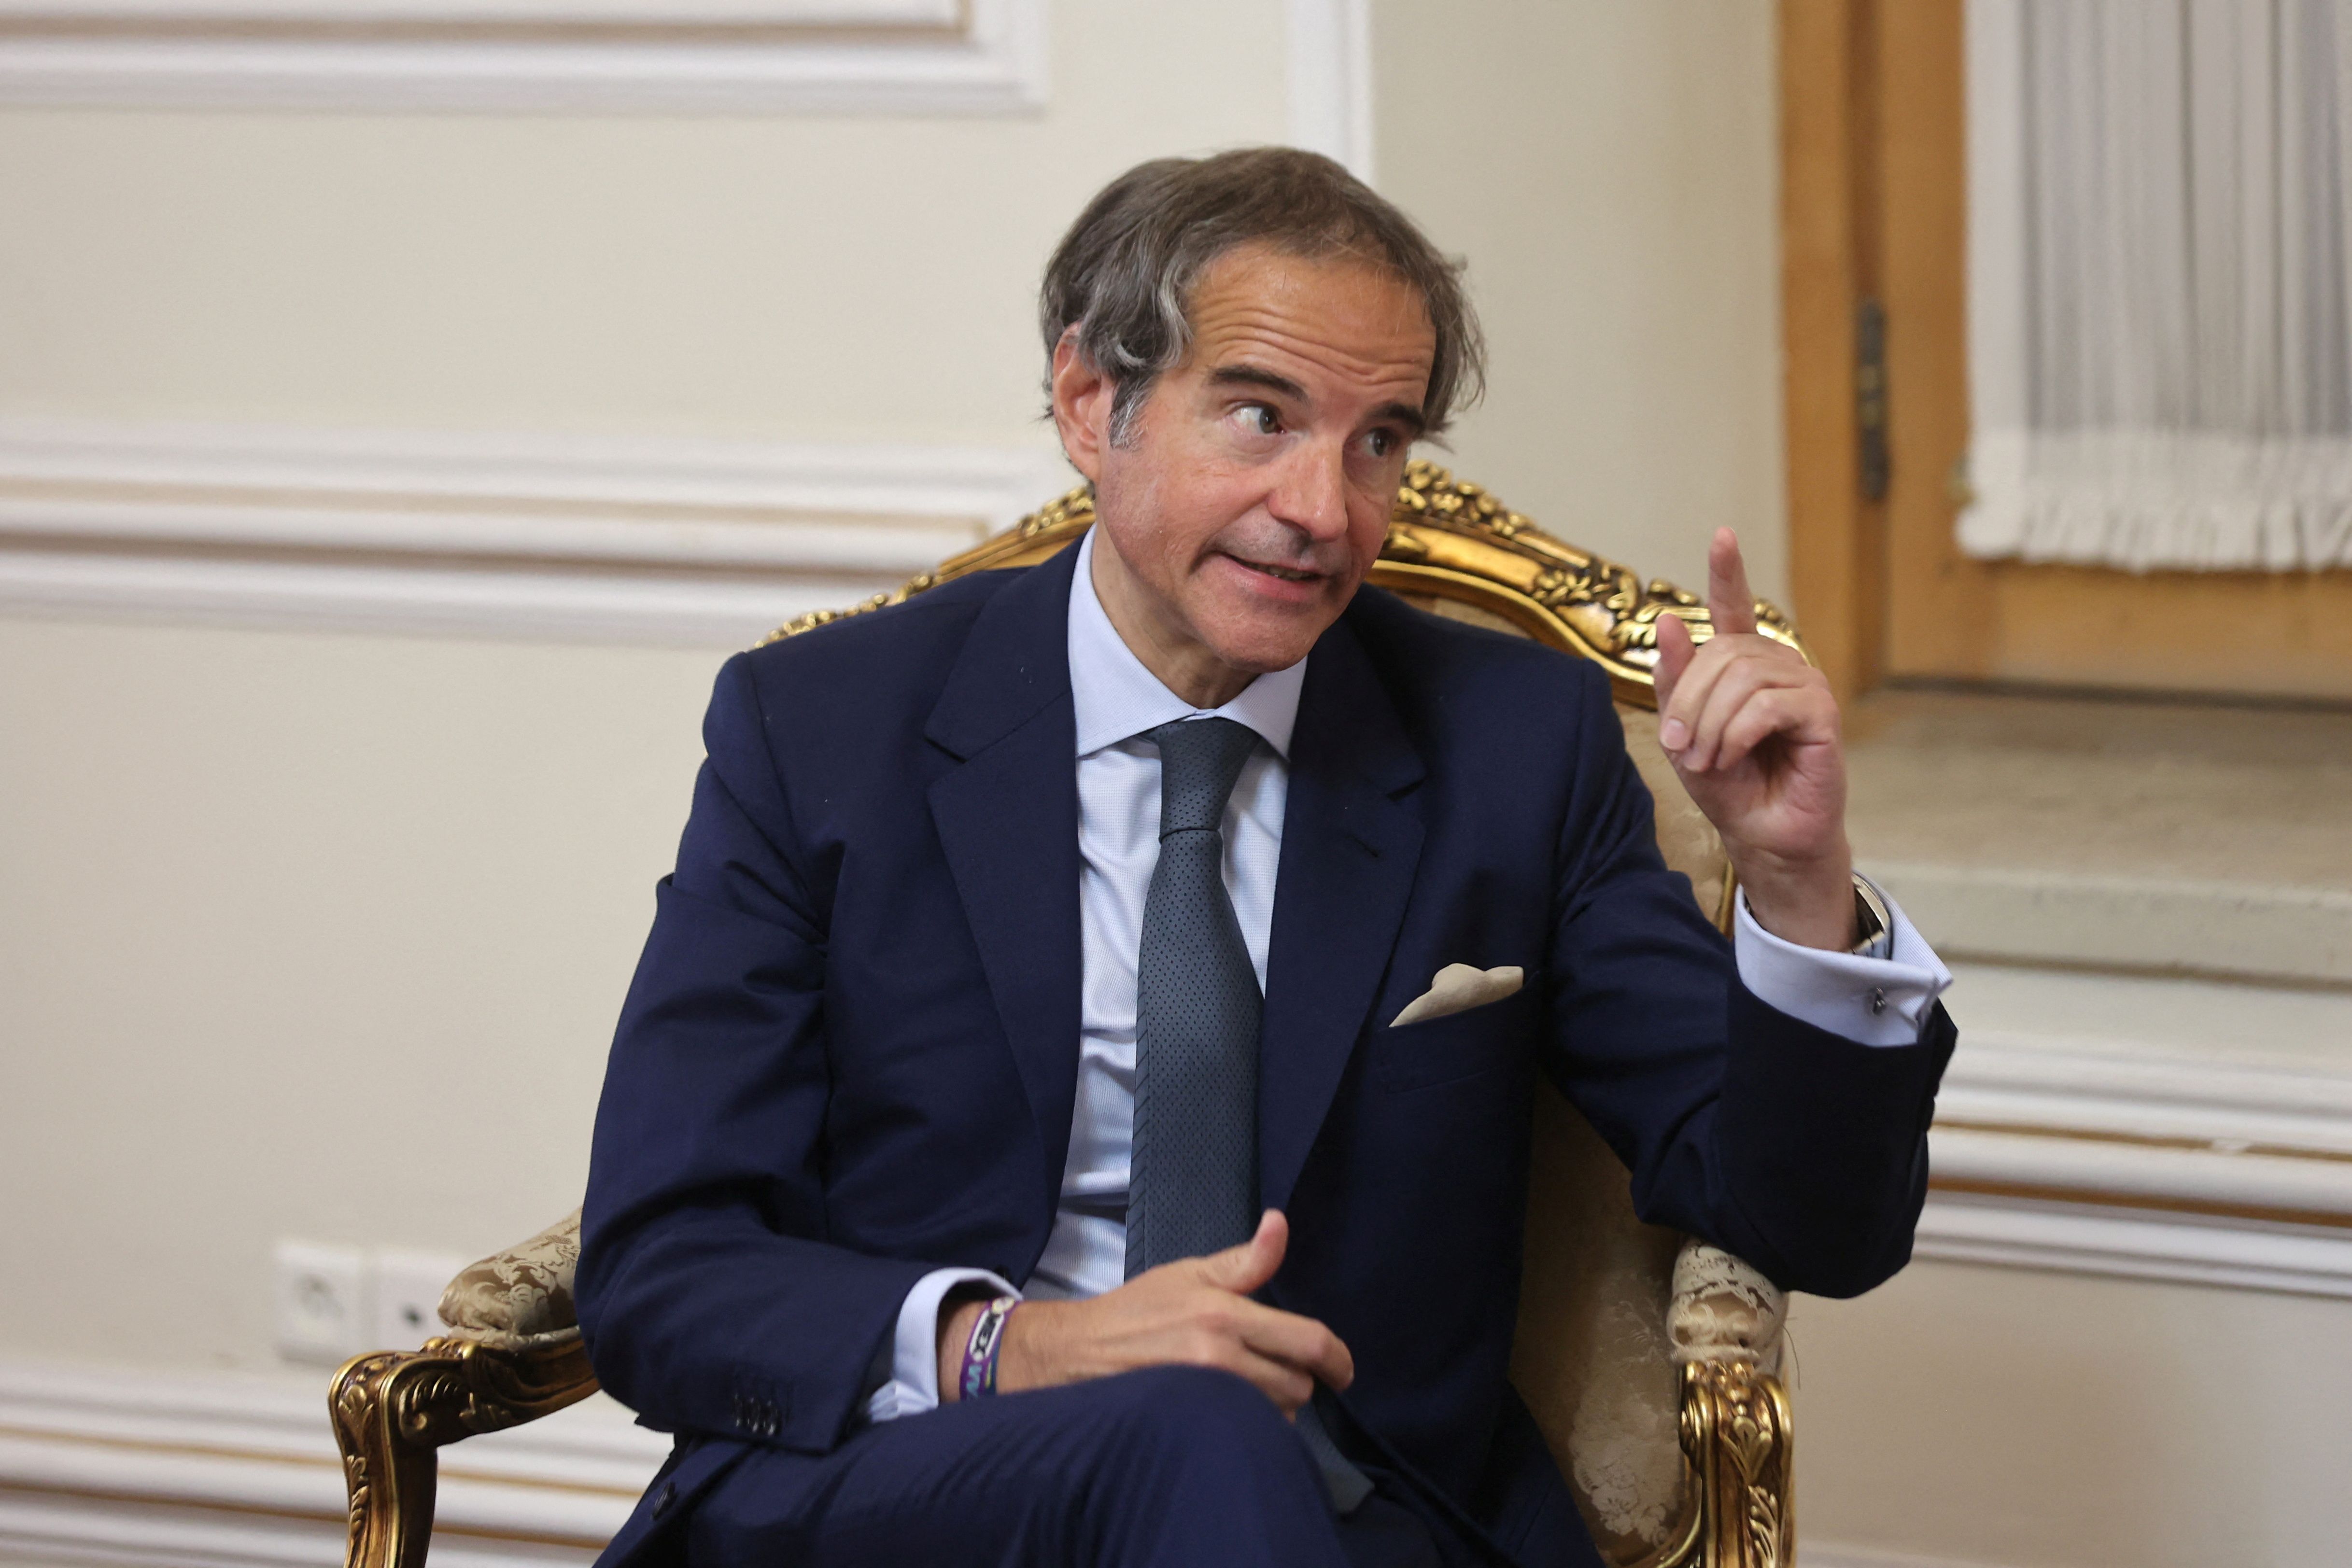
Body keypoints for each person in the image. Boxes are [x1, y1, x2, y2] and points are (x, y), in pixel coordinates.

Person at [576, 147, 1955, 1568]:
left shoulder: (1510, 747)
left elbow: (1810, 1223)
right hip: (914, 1492)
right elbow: (659, 1268)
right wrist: (1018, 1350)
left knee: (1214, 1445)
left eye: (1379, 443)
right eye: (1261, 416)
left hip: (1355, 1513)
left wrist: (1796, 880)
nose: (1323, 508)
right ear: (1088, 402)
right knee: (1186, 1424)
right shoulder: (826, 730)